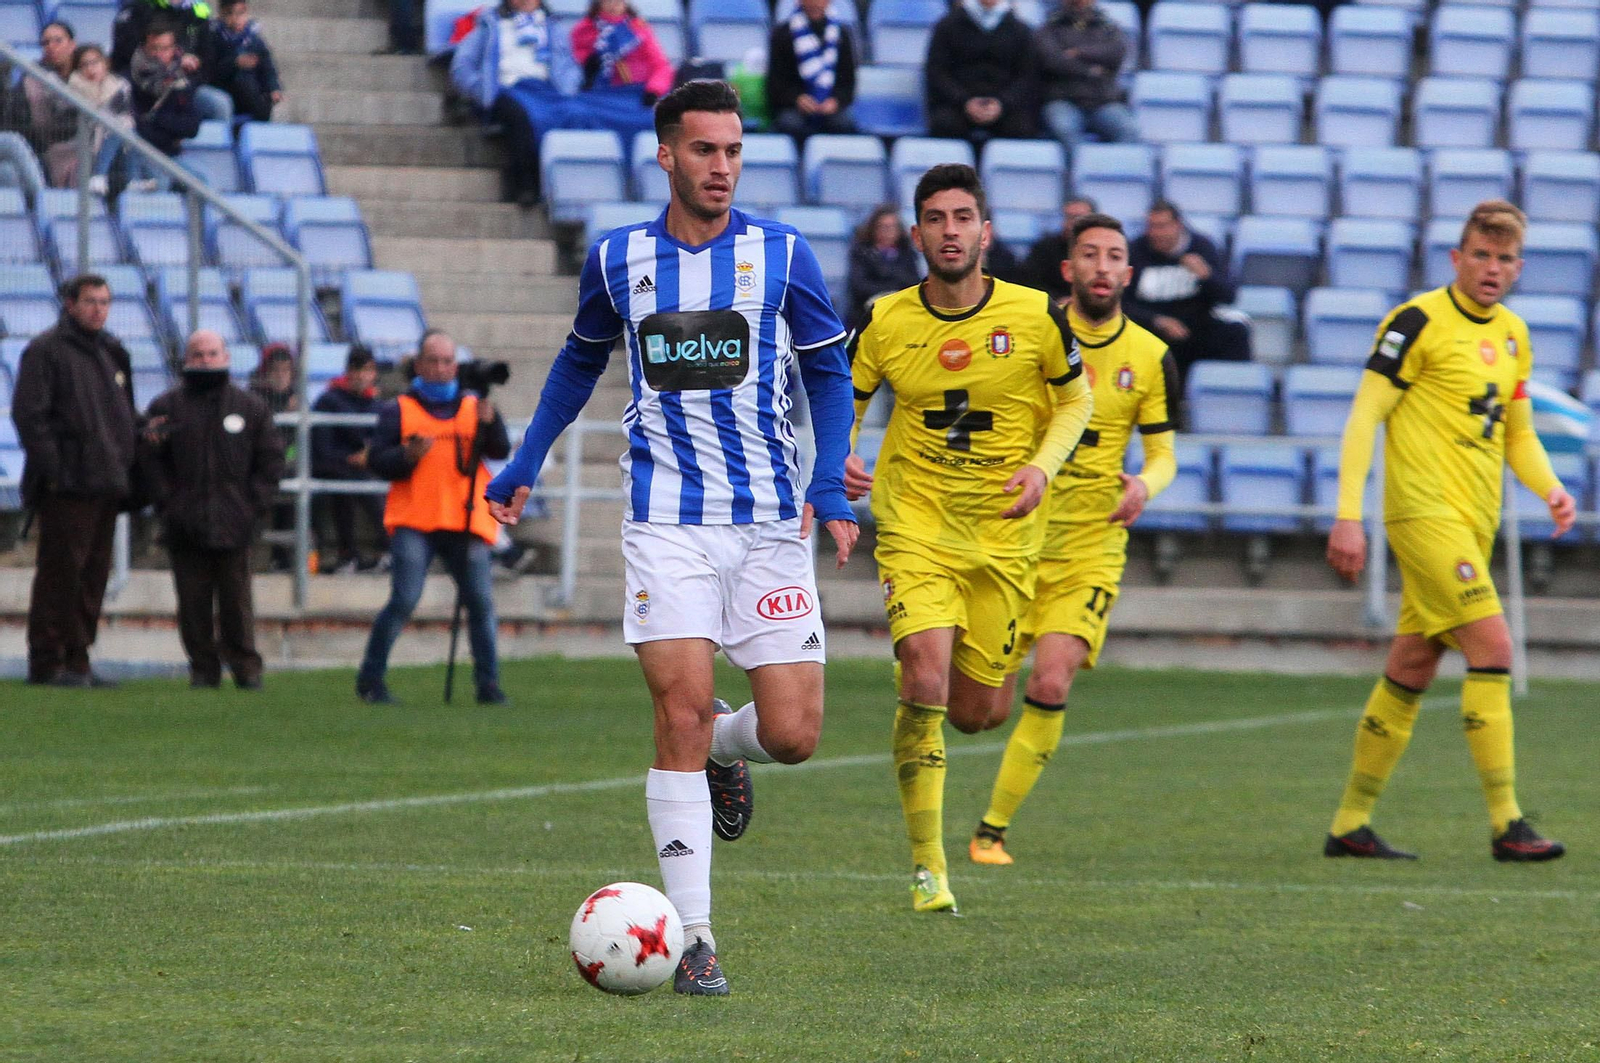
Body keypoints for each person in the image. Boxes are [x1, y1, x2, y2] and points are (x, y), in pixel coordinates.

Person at [484, 81, 859, 995]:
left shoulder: (781, 254)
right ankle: (696, 939)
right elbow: (580, 358)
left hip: (770, 525)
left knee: (796, 733)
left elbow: (829, 370)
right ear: (666, 154)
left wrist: (826, 477)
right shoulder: (620, 259)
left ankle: (732, 751)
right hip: (667, 522)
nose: (722, 167)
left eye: (733, 151)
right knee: (679, 712)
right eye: (705, 151)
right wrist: (526, 455)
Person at [844, 163, 1094, 914]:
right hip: (916, 523)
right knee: (922, 678)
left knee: (978, 712)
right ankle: (929, 869)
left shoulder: (1035, 314)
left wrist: (1044, 469)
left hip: (1005, 535)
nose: (949, 231)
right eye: (935, 218)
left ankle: (953, 698)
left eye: (963, 217)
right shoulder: (884, 318)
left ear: (985, 231)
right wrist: (837, 464)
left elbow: (1075, 399)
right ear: (916, 232)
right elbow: (841, 401)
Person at [1323, 201, 1575, 864]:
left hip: (1473, 522)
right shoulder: (1416, 321)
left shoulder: (1515, 336)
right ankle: (1507, 822)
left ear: (1518, 268)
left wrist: (1549, 487)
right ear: (1456, 258)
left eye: (1504, 259)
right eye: (1481, 255)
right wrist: (1348, 513)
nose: (1492, 269)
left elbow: (1517, 431)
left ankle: (1350, 822)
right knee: (1493, 643)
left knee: (1413, 663)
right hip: (1423, 514)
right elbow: (1362, 418)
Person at [969, 212, 1176, 866]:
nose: (1103, 267)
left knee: (1053, 681)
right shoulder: (1032, 333)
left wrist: (1146, 485)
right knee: (982, 710)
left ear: (1128, 272)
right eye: (1090, 255)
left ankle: (991, 830)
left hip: (1090, 548)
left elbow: (1165, 452)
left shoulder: (1149, 355)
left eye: (1115, 256)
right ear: (1069, 269)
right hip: (1014, 541)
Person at [357, 330, 512, 706]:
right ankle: (371, 679)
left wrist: (491, 424)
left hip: (465, 518)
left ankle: (488, 685)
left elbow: (500, 450)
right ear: (420, 365)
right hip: (415, 519)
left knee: (480, 602)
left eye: (447, 362)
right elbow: (377, 461)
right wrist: (405, 457)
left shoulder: (476, 407)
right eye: (433, 361)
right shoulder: (398, 409)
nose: (441, 369)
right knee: (404, 599)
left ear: (455, 366)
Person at [10, 274, 139, 688]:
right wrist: (57, 471)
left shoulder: (112, 353)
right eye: (90, 301)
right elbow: (29, 415)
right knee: (60, 574)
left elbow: (120, 414)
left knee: (93, 576)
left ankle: (78, 659)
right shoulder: (46, 351)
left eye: (105, 301)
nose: (98, 309)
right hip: (68, 484)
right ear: (69, 304)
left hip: (106, 481)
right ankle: (47, 661)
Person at [144, 331, 285, 690]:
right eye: (198, 354)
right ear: (187, 359)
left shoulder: (251, 407)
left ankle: (246, 669)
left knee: (237, 601)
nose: (206, 360)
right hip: (184, 522)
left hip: (235, 522)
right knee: (192, 604)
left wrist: (252, 507)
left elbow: (270, 462)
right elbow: (149, 461)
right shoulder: (165, 407)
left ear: (226, 357)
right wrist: (168, 504)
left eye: (212, 353)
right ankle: (203, 671)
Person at [451, 0, 582, 208]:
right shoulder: (490, 25)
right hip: (508, 89)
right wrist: (483, 91)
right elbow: (462, 66)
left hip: (546, 90)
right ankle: (525, 186)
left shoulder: (552, 27)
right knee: (521, 117)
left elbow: (570, 65)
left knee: (578, 113)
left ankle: (568, 192)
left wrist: (569, 88)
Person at [1126, 200, 1250, 396]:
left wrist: (1206, 275)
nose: (1156, 233)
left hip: (1196, 324)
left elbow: (1228, 296)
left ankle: (1232, 397)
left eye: (1162, 226)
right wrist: (1157, 320)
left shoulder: (1203, 247)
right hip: (1152, 326)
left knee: (1235, 333)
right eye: (1151, 227)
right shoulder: (1135, 251)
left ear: (1178, 225)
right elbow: (1122, 303)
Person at [311, 345, 390, 574]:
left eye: (367, 370)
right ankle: (348, 554)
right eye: (356, 369)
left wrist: (369, 455)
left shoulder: (377, 404)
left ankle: (387, 551)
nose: (361, 376)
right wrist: (355, 457)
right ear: (347, 371)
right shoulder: (329, 400)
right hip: (329, 465)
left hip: (364, 466)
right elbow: (322, 449)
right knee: (348, 485)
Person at [925, 0, 1039, 149]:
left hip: (1005, 107)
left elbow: (1027, 75)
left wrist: (1002, 103)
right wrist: (964, 101)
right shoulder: (948, 26)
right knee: (945, 125)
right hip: (957, 106)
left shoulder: (1020, 30)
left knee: (1021, 128)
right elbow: (937, 72)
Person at [1036, 0, 1137, 157]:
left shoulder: (1107, 26)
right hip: (1063, 100)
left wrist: (1079, 52)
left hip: (1102, 101)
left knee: (1128, 129)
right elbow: (1053, 60)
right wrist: (1090, 70)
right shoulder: (1050, 27)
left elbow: (1116, 52)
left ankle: (1116, 178)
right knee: (1064, 129)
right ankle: (1082, 177)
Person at [112, 0, 232, 125]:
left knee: (219, 104)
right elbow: (127, 56)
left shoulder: (198, 12)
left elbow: (207, 60)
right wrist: (175, 62)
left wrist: (187, 82)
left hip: (184, 85)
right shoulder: (138, 9)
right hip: (141, 85)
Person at [766, 0, 858, 144]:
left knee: (842, 124)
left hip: (830, 106)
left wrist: (835, 101)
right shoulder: (782, 34)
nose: (816, 3)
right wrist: (797, 99)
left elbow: (848, 83)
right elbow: (775, 83)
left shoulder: (842, 34)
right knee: (790, 123)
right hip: (794, 107)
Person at [127, 21, 204, 189]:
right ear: (144, 48)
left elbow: (192, 127)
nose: (160, 54)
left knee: (204, 182)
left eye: (166, 48)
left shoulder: (180, 79)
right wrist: (172, 132)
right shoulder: (133, 79)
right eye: (154, 48)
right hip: (142, 151)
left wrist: (158, 120)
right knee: (160, 186)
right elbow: (140, 127)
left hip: (171, 154)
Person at [570, 0, 674, 105]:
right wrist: (588, 66)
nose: (613, 5)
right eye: (608, 2)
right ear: (598, 3)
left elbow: (661, 67)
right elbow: (572, 70)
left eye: (618, 1)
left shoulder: (639, 28)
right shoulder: (584, 30)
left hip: (639, 92)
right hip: (600, 94)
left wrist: (654, 91)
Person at [250, 343, 298, 571]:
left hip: (288, 464)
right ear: (265, 373)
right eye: (275, 371)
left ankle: (282, 558)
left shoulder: (297, 399)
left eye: (286, 371)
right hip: (257, 462)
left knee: (294, 479)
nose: (280, 376)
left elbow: (298, 445)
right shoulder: (253, 399)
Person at [66, 44, 135, 195]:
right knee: (121, 126)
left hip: (116, 143)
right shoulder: (71, 89)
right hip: (86, 140)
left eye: (95, 62)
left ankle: (127, 180)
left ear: (105, 63)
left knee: (127, 127)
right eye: (84, 65)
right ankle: (101, 175)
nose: (91, 69)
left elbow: (125, 115)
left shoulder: (120, 86)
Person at [845, 204, 920, 333]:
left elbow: (913, 283)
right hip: (866, 315)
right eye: (883, 227)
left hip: (902, 315)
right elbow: (859, 286)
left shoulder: (908, 254)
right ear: (873, 228)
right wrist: (892, 288)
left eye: (891, 227)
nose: (887, 231)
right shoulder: (861, 252)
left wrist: (885, 275)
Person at [23, 21, 80, 188]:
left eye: (57, 40)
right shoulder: (33, 78)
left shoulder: (87, 71)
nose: (51, 46)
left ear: (72, 44)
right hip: (46, 147)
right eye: (45, 42)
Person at [214, 0, 284, 123]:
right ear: (222, 14)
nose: (236, 19)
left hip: (251, 91)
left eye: (241, 13)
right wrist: (235, 63)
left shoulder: (254, 39)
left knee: (261, 94)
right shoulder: (214, 36)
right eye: (230, 14)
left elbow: (267, 67)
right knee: (242, 82)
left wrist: (274, 88)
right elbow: (211, 71)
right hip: (226, 88)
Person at [1022, 196, 1097, 303]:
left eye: (1078, 218)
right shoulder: (1044, 248)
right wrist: (1058, 299)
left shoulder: (1105, 251)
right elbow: (1031, 284)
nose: (1072, 223)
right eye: (1068, 217)